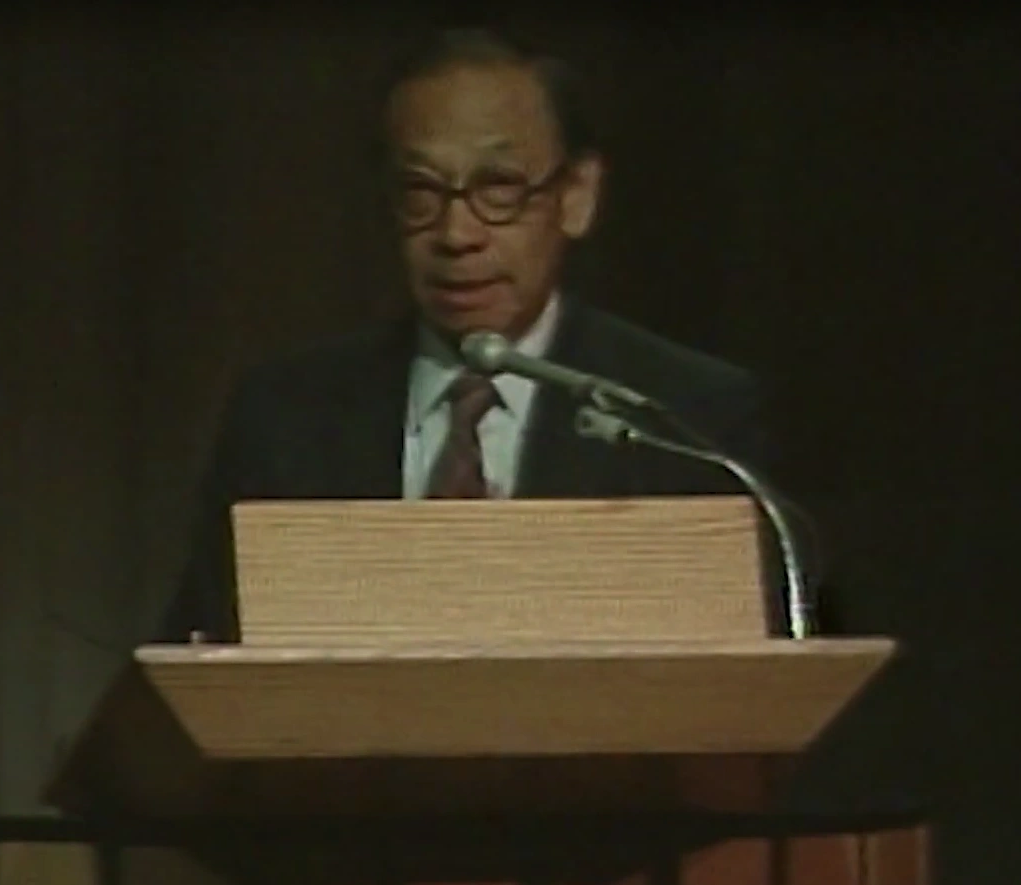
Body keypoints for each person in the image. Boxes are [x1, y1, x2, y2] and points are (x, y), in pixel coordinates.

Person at [156, 27, 787, 645]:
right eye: (421, 192)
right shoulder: (283, 415)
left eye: (498, 189)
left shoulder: (684, 416)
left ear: (576, 196)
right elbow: (201, 656)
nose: (456, 234)